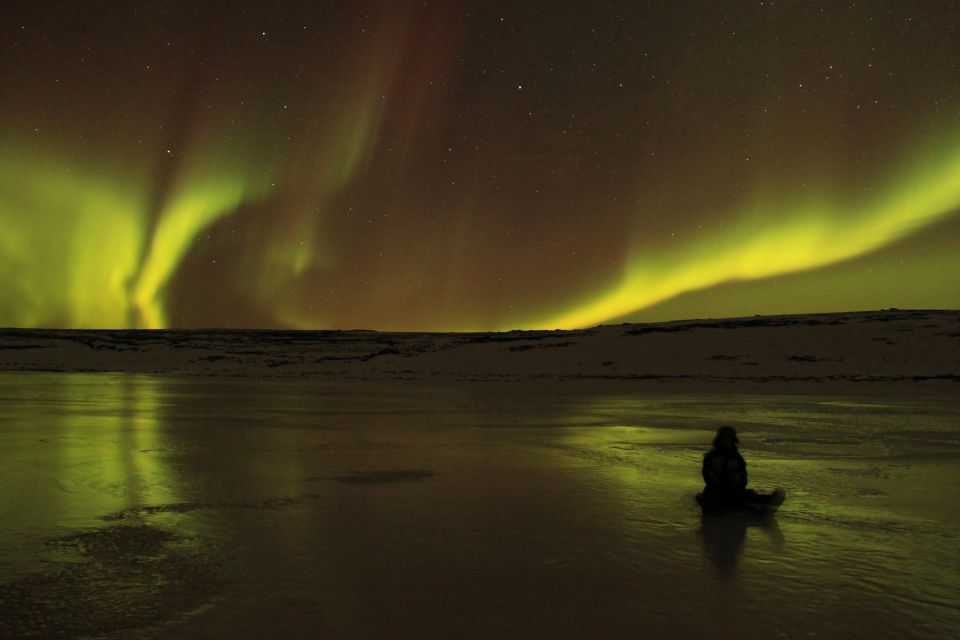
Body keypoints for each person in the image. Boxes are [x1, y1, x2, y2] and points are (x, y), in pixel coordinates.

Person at [700, 426, 784, 510]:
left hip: (733, 490)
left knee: (749, 494)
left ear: (732, 441)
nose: (725, 443)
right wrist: (717, 486)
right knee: (715, 498)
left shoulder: (737, 458)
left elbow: (742, 476)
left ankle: (769, 501)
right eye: (723, 440)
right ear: (718, 441)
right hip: (715, 490)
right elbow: (707, 475)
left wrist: (736, 486)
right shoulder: (711, 457)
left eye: (728, 440)